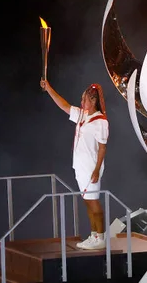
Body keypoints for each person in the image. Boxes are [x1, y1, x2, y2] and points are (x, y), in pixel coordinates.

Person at [41, 79, 109, 250]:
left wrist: (96, 170)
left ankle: (100, 237)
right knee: (87, 201)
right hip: (80, 166)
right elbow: (64, 105)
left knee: (93, 202)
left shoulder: (100, 121)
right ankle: (94, 235)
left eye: (84, 99)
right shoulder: (83, 115)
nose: (81, 102)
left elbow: (102, 148)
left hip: (91, 167)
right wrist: (49, 88)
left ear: (93, 100)